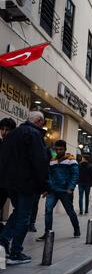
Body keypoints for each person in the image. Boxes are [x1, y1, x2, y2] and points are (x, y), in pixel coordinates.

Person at [0, 112, 49, 264]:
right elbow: (39, 162)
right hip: (26, 183)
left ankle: (3, 241)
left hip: (10, 183)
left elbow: (3, 159)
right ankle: (16, 252)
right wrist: (44, 185)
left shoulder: (12, 134)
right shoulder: (34, 135)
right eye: (43, 122)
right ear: (39, 121)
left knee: (18, 212)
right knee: (24, 216)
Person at [36, 140, 81, 241]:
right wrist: (47, 189)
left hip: (65, 191)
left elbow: (75, 175)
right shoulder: (52, 161)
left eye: (61, 149)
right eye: (56, 149)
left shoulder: (71, 160)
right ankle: (48, 233)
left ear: (65, 149)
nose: (58, 151)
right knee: (48, 210)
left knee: (70, 211)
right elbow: (49, 175)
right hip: (52, 190)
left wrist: (71, 188)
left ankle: (76, 229)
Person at [0, 118, 17, 214]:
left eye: (7, 129)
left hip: (9, 184)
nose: (4, 132)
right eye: (2, 129)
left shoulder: (15, 146)